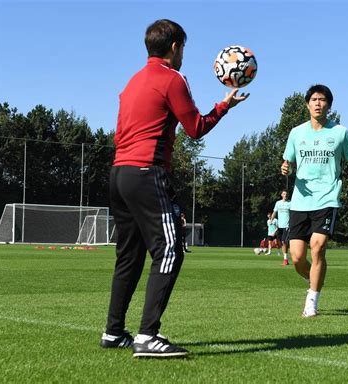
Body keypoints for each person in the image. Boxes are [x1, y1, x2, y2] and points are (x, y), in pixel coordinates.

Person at [100, 19, 249, 358]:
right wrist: (225, 106)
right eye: (183, 48)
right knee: (170, 249)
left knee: (129, 256)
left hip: (119, 173)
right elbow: (195, 127)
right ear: (175, 47)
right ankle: (148, 336)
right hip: (145, 172)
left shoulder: (132, 81)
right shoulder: (172, 78)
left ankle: (113, 331)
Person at [281, 84, 348, 317]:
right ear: (307, 104)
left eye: (322, 99)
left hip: (328, 198)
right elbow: (287, 162)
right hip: (300, 202)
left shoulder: (340, 133)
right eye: (313, 99)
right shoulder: (296, 133)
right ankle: (314, 279)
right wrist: (285, 167)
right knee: (298, 258)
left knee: (318, 247)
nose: (318, 103)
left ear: (329, 105)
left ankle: (312, 300)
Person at [271, 190, 291, 265]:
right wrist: (271, 220)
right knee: (281, 243)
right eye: (284, 194)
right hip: (280, 226)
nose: (285, 195)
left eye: (286, 194)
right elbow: (274, 212)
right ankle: (285, 258)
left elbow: (294, 214)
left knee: (284, 242)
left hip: (287, 226)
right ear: (281, 195)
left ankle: (286, 259)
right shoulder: (278, 203)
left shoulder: (290, 203)